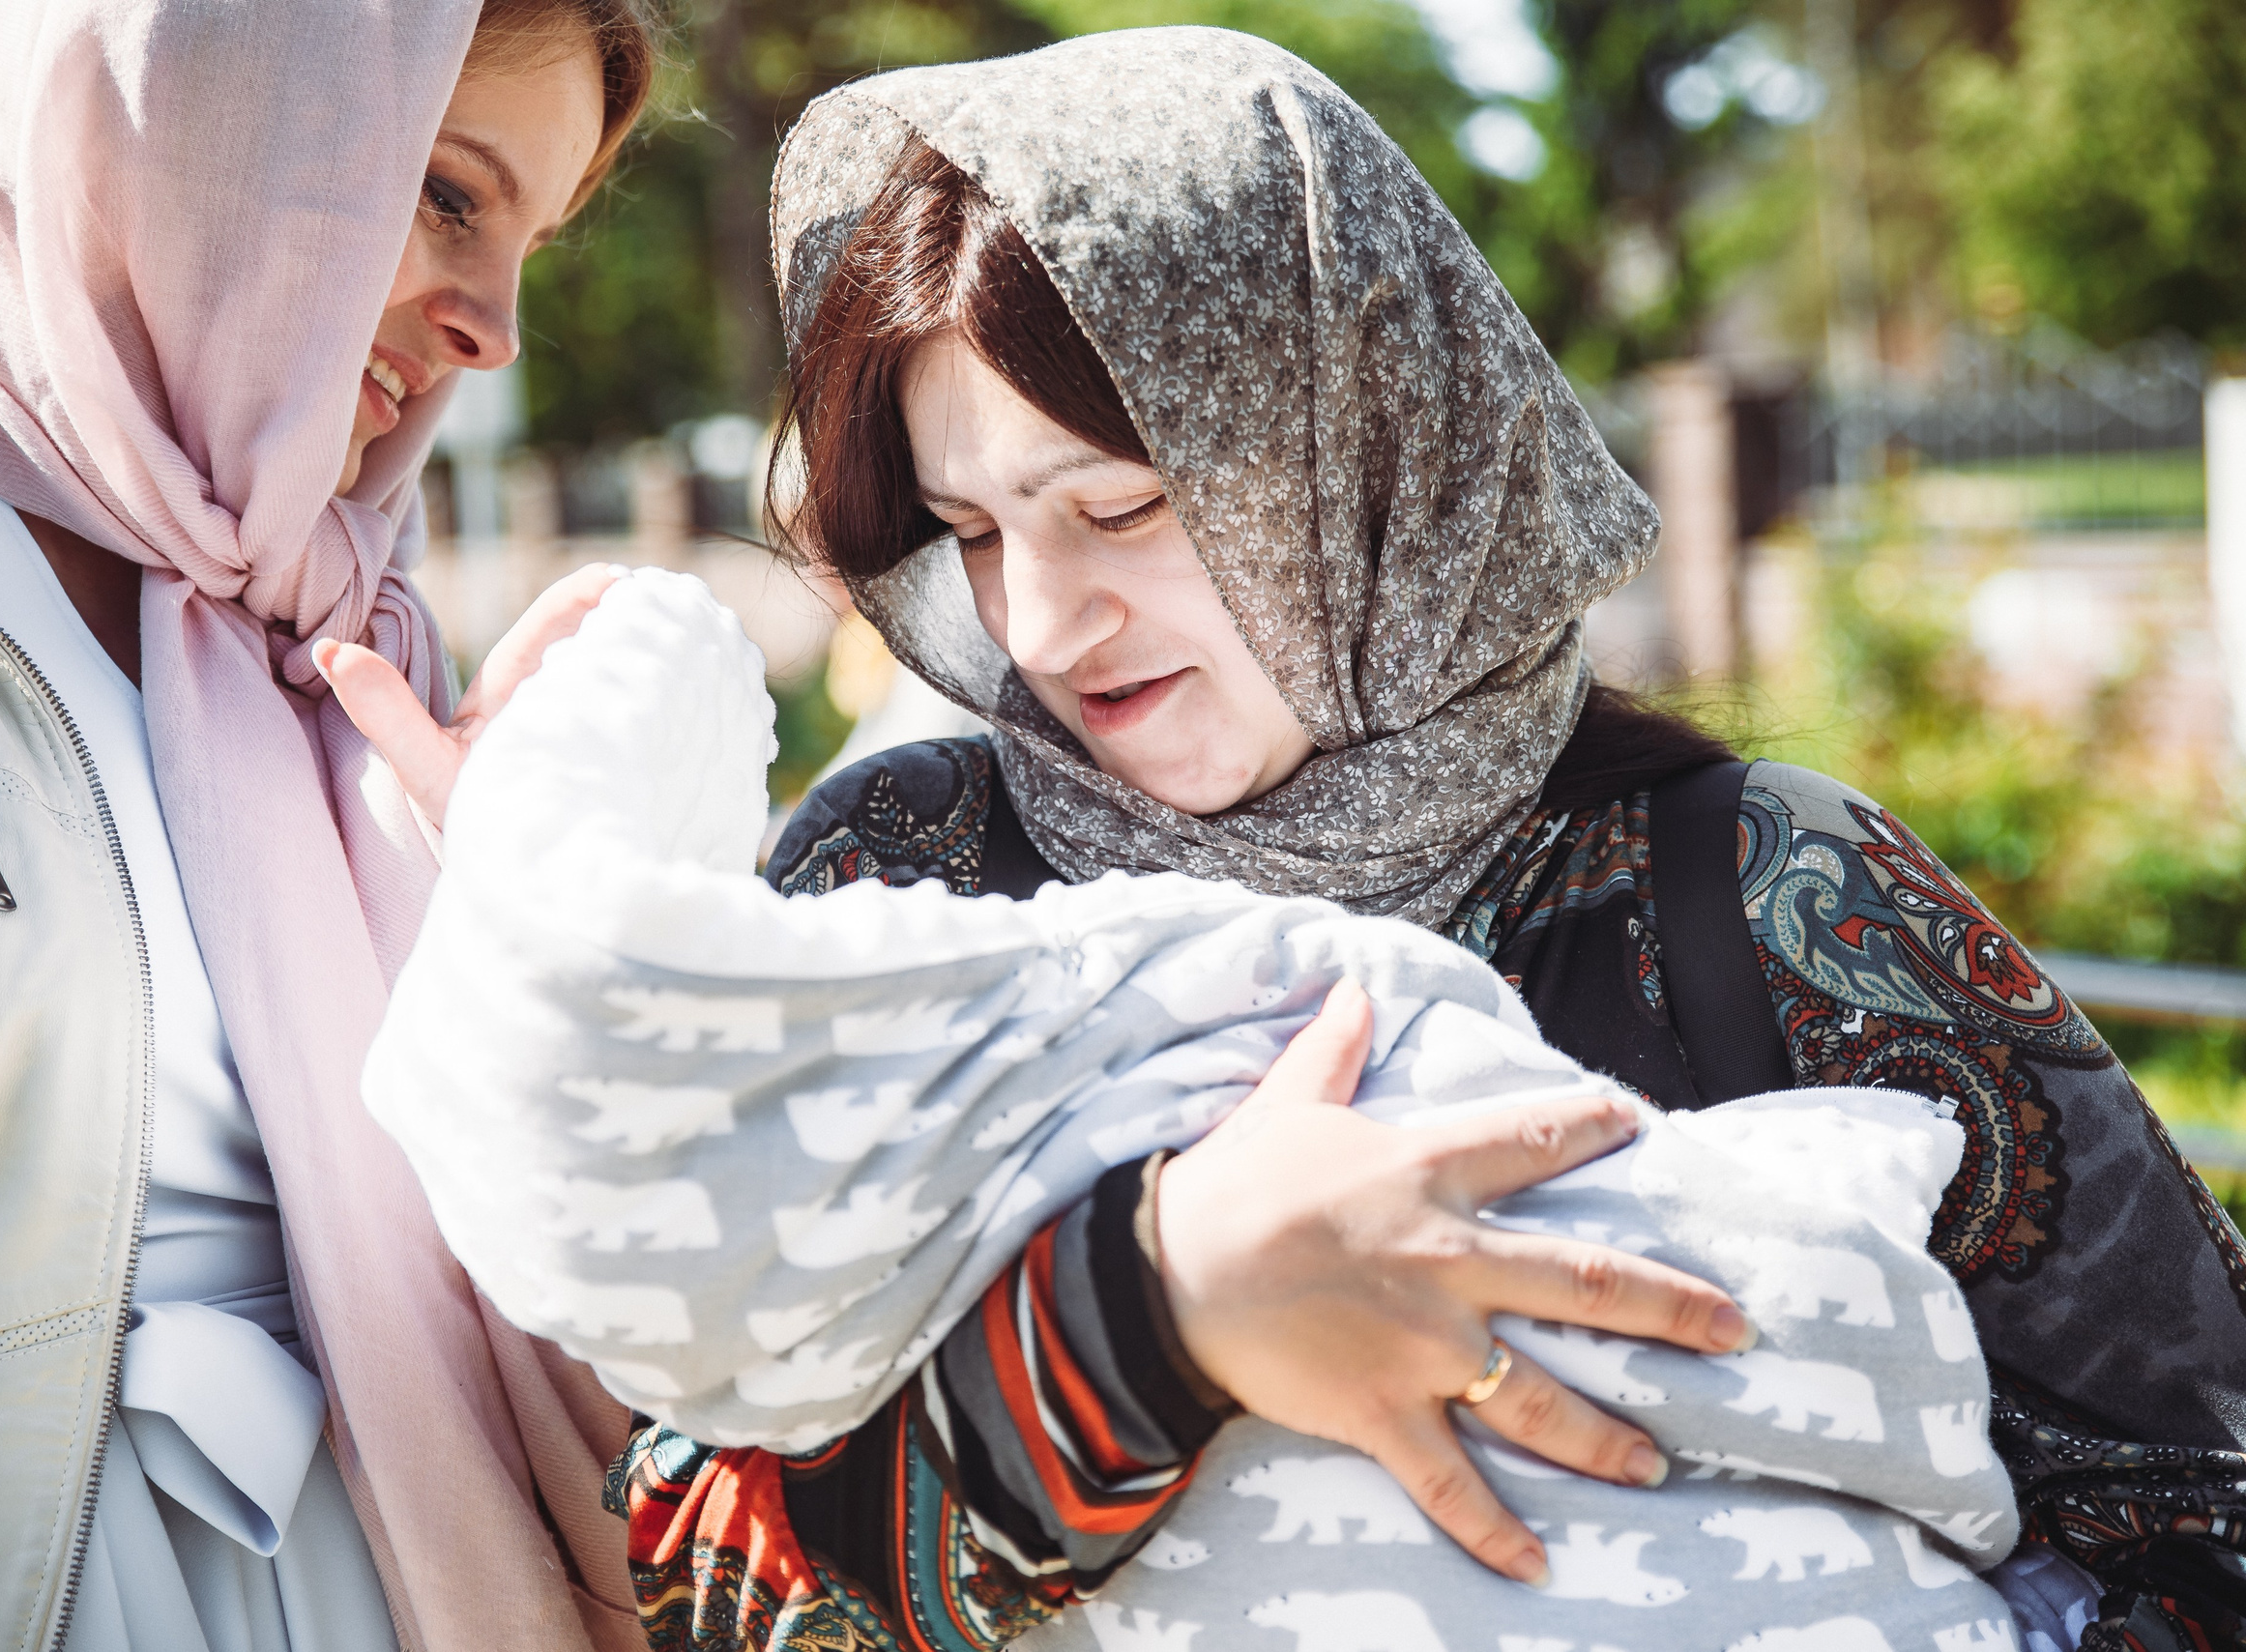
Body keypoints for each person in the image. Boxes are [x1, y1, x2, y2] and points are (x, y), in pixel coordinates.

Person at [579, 28, 2241, 1649]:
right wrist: (1149, 1320)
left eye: (1122, 506)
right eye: (971, 533)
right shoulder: (901, 888)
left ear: (1371, 440)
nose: (1048, 623)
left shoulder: (1769, 895)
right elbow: (688, 1576)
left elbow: (2206, 1515)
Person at [0, 1, 654, 1648]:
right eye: (449, 194)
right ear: (194, 83)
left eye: (527, 237)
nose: (498, 330)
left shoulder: (347, 633)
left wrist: (546, 930)